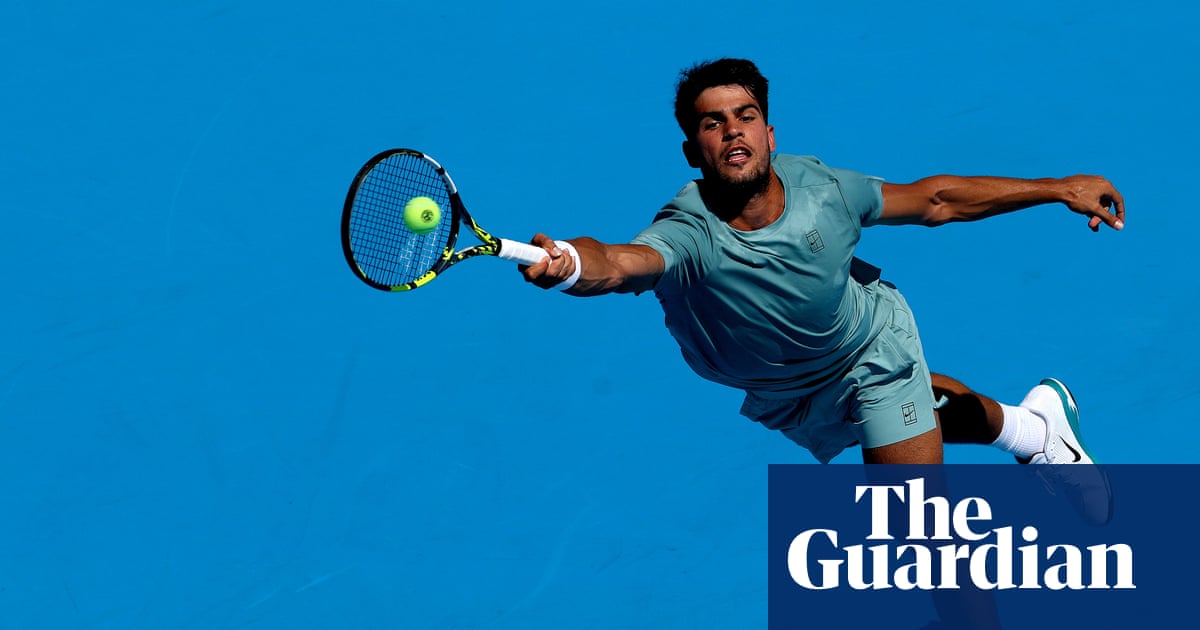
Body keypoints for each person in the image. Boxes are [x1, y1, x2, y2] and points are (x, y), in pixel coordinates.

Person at [519, 58, 1122, 527]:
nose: (731, 130)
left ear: (768, 133)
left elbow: (935, 200)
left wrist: (1060, 188)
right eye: (712, 123)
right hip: (790, 387)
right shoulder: (688, 231)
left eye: (744, 116)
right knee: (930, 411)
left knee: (917, 535)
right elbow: (619, 260)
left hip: (870, 357)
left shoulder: (824, 192)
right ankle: (1036, 431)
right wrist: (572, 262)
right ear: (692, 151)